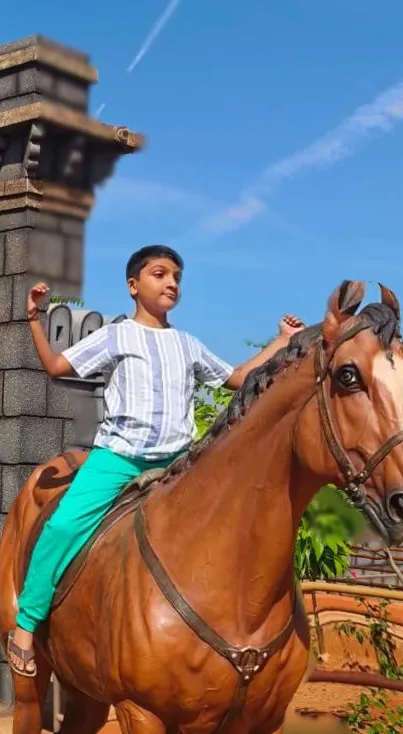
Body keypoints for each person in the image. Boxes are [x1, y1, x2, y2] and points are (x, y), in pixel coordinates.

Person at [7, 244, 305, 677]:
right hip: (119, 459)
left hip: (179, 464)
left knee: (235, 525)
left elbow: (237, 379)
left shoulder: (186, 343)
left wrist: (280, 341)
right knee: (63, 526)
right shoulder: (115, 336)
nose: (171, 284)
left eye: (177, 278)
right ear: (133, 285)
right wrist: (34, 318)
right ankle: (27, 624)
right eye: (160, 274)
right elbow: (55, 367)